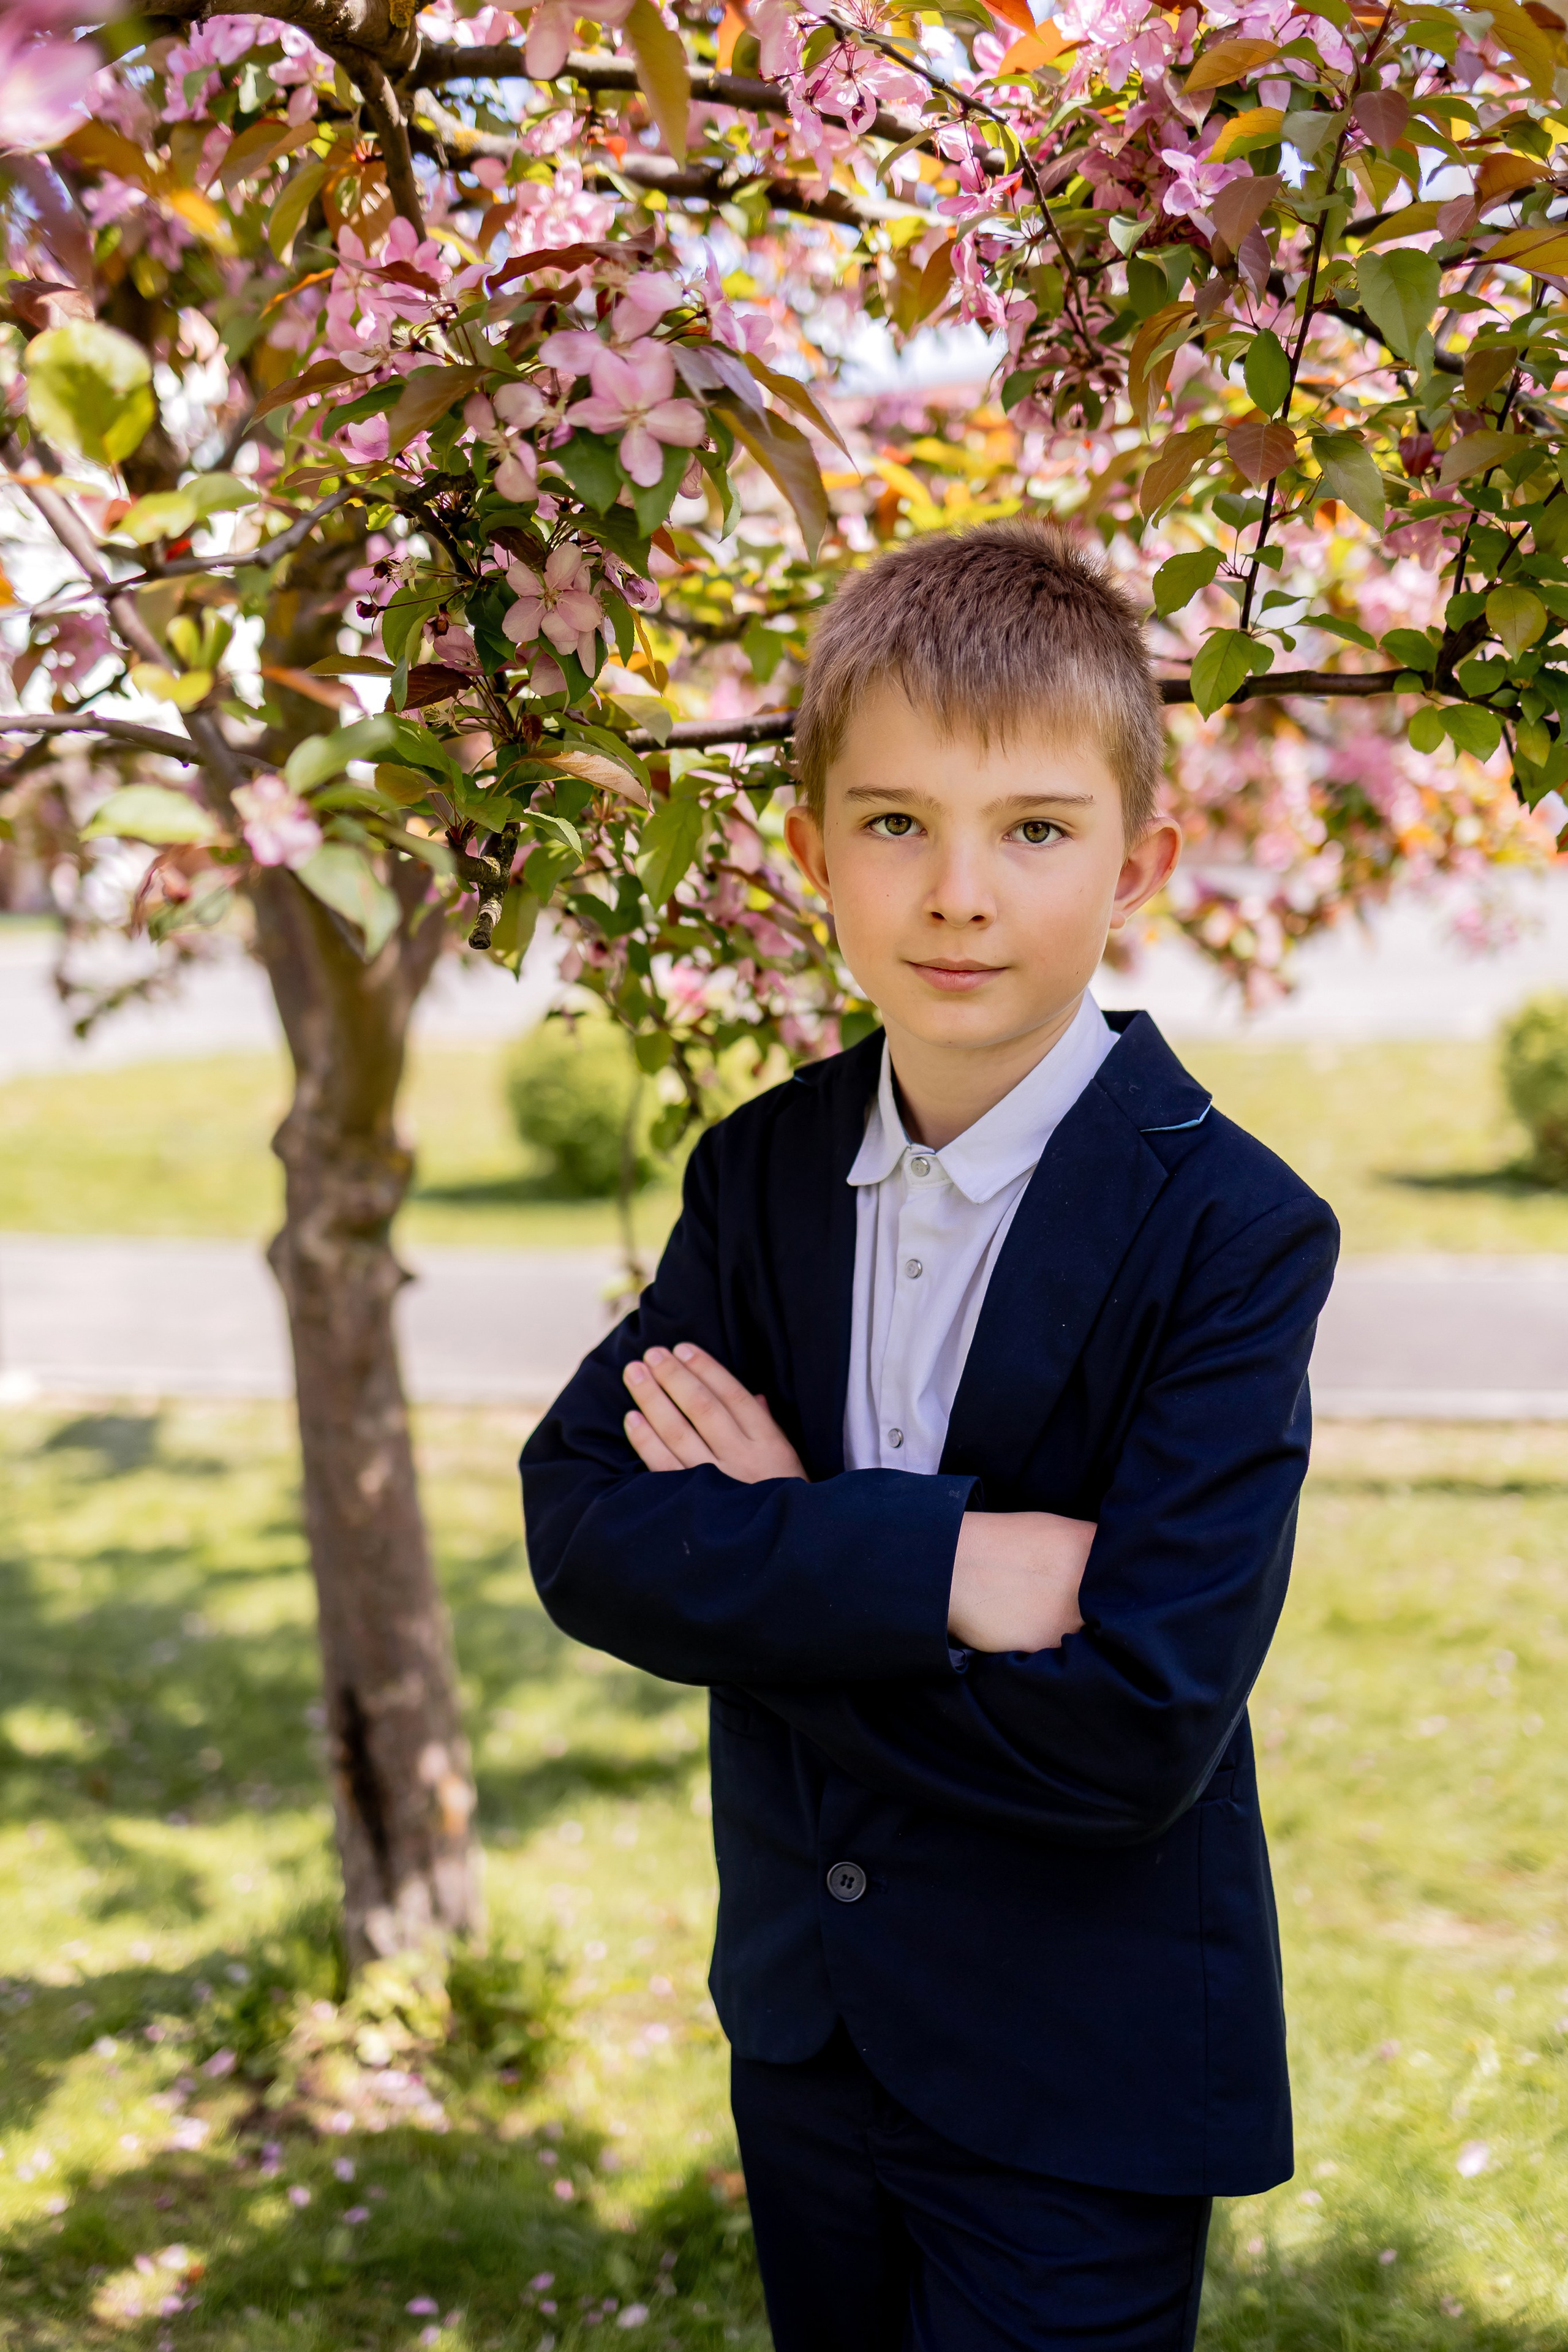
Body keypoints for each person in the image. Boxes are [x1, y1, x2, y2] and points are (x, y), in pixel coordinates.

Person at [520, 521, 1340, 2351]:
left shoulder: (1234, 1231)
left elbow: (1136, 1731)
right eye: (894, 823)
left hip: (1079, 2061)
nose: (959, 892)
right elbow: (585, 1527)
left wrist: (777, 1550)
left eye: (1034, 831)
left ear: (1142, 862)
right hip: (810, 2033)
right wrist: (938, 1564)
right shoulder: (759, 1171)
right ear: (812, 852)